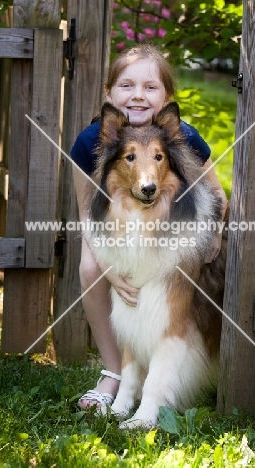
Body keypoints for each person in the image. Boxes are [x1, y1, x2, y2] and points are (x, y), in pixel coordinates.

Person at [71, 43, 228, 413]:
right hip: (109, 227)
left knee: (166, 278)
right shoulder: (92, 140)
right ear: (108, 93)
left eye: (150, 87)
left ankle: (156, 377)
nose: (138, 95)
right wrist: (109, 266)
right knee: (90, 269)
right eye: (126, 86)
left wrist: (215, 235)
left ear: (167, 97)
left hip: (173, 230)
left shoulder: (181, 135)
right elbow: (85, 212)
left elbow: (217, 194)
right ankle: (114, 372)